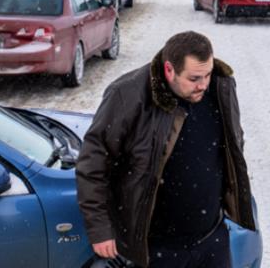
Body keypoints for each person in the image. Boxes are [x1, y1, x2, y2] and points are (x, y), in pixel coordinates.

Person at [77, 31, 255, 268]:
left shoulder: (221, 87)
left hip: (212, 238)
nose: (203, 85)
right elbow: (93, 165)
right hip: (158, 248)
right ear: (169, 70)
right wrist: (99, 228)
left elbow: (233, 144)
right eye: (194, 79)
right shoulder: (127, 95)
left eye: (208, 75)